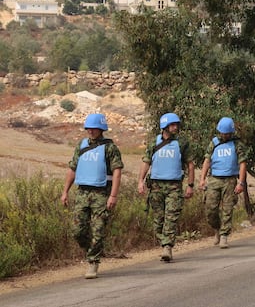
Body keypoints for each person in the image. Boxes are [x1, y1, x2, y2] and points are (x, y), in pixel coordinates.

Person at [60, 113, 123, 279]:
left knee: (98, 230)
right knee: (77, 231)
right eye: (88, 128)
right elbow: (72, 169)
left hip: (101, 194)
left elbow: (117, 172)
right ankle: (92, 250)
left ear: (101, 129)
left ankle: (93, 261)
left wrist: (113, 196)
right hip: (82, 193)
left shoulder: (110, 148)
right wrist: (65, 191)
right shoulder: (81, 146)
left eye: (94, 128)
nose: (91, 131)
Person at [138, 112, 195, 262]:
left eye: (177, 124)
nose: (175, 127)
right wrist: (140, 181)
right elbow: (146, 163)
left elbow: (190, 165)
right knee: (158, 220)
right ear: (165, 126)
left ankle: (167, 247)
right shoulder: (153, 143)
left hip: (174, 187)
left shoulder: (182, 143)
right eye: (172, 125)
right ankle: (164, 242)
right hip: (156, 186)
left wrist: (190, 185)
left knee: (171, 217)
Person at [198, 117, 249, 249]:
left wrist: (241, 183)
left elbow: (243, 164)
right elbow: (207, 161)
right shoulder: (214, 143)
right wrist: (202, 179)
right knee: (210, 209)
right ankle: (217, 229)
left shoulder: (237, 144)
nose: (225, 136)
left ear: (231, 133)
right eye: (223, 133)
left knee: (227, 209)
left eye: (227, 134)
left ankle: (224, 236)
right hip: (214, 179)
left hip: (230, 180)